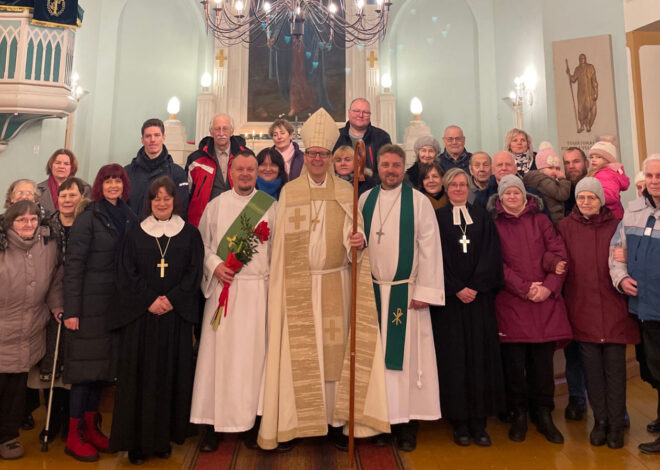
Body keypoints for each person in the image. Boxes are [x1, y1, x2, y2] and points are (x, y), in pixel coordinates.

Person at [259, 107, 389, 451]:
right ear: (306, 155)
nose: (317, 159)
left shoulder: (346, 193)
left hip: (335, 284)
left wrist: (356, 245)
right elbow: (282, 248)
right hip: (299, 286)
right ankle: (292, 425)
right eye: (313, 153)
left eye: (323, 154)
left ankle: (334, 423)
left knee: (334, 355)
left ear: (332, 157)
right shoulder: (290, 193)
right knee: (297, 357)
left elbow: (353, 239)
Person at [110, 176, 203, 465]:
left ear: (175, 201)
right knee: (138, 379)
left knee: (169, 377)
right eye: (156, 198)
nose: (161, 203)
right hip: (142, 319)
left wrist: (171, 299)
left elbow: (194, 272)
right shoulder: (134, 233)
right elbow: (126, 272)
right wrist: (149, 299)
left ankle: (163, 439)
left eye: (167, 197)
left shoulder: (189, 234)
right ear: (148, 202)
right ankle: (136, 443)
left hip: (173, 320)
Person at [359, 144, 444, 451]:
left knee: (406, 362)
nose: (391, 170)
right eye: (385, 165)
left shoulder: (418, 202)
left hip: (406, 294)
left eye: (396, 165)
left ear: (403, 167)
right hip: (371, 293)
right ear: (377, 167)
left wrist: (425, 291)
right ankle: (380, 421)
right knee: (376, 362)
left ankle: (407, 423)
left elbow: (430, 248)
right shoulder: (365, 200)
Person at [191, 150, 276, 452]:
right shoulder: (216, 206)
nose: (245, 174)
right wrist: (215, 266)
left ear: (257, 173)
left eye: (250, 169)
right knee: (218, 358)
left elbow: (278, 253)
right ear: (231, 171)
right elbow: (201, 245)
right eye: (239, 169)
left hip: (257, 294)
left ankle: (251, 422)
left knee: (254, 361)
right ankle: (212, 423)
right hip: (224, 290)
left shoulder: (270, 208)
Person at [487, 175, 572, 444]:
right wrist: (525, 288)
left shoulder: (542, 220)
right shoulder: (494, 225)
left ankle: (544, 414)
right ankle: (519, 413)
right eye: (507, 193)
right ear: (500, 198)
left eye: (516, 192)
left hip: (544, 303)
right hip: (512, 304)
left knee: (542, 366)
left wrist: (548, 287)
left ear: (525, 195)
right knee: (514, 367)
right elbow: (496, 264)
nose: (512, 197)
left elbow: (559, 253)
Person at [63, 164, 138, 462]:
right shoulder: (89, 218)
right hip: (89, 306)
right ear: (99, 185)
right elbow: (74, 266)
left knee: (101, 372)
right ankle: (73, 435)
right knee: (83, 373)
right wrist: (71, 310)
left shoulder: (130, 216)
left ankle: (92, 429)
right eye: (108, 181)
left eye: (118, 181)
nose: (113, 186)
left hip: (114, 307)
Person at [557, 177, 639, 449]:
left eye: (591, 197)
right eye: (581, 198)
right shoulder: (565, 227)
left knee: (615, 372)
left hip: (615, 309)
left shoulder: (618, 225)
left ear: (601, 200)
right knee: (591, 372)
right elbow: (555, 257)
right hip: (582, 309)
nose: (586, 202)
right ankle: (600, 421)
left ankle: (616, 424)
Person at [431, 168, 504, 447]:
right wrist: (456, 287)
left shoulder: (483, 217)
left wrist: (474, 285)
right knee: (455, 361)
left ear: (469, 188)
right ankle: (459, 422)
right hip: (450, 303)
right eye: (454, 185)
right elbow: (435, 257)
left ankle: (479, 422)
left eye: (463, 184)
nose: (459, 189)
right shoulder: (437, 218)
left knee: (479, 359)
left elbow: (491, 254)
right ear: (446, 189)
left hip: (479, 300)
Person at [0, 200, 63, 460]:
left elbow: (55, 281)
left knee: (16, 389)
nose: (29, 224)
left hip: (29, 329)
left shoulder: (48, 246)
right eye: (22, 220)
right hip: (3, 325)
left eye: (33, 219)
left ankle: (7, 437)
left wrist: (57, 306)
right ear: (9, 224)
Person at [610, 154, 660, 454]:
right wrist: (621, 279)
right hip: (644, 307)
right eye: (651, 176)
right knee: (653, 369)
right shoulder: (633, 211)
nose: (655, 181)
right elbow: (617, 250)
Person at [31, 177, 86, 443]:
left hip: (79, 301)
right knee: (51, 363)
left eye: (72, 195)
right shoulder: (46, 226)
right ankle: (51, 419)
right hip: (50, 301)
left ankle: (70, 420)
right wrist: (54, 303)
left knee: (72, 362)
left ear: (81, 197)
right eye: (63, 195)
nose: (67, 200)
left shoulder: (87, 225)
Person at [186, 114, 249, 227]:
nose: (221, 133)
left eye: (225, 128)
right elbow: (186, 195)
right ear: (211, 132)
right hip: (204, 223)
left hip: (238, 222)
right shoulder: (196, 159)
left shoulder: (246, 157)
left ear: (231, 131)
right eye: (217, 129)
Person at [124, 118, 189, 219]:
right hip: (133, 232)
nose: (152, 140)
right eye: (148, 136)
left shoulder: (177, 173)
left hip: (164, 233)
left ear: (163, 137)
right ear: (142, 140)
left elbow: (181, 211)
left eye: (157, 135)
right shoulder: (127, 172)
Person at [333, 98, 392, 179]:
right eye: (356, 111)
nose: (360, 115)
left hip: (373, 187)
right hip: (341, 187)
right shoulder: (336, 136)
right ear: (349, 112)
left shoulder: (382, 137)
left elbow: (387, 168)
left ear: (370, 115)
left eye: (365, 112)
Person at [522, 142, 571, 224]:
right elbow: (562, 194)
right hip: (552, 220)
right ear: (541, 169)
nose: (555, 171)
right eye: (550, 168)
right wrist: (563, 179)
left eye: (557, 168)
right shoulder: (543, 180)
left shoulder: (542, 179)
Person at [37, 149, 91, 215]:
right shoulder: (37, 189)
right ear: (51, 165)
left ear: (72, 167)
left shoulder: (85, 188)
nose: (61, 166)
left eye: (66, 164)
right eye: (58, 163)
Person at [587, 140, 629, 219]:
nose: (593, 159)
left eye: (598, 157)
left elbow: (610, 196)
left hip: (608, 216)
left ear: (608, 159)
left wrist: (592, 197)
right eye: (591, 157)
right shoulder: (602, 173)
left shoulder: (606, 174)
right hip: (610, 214)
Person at [566, 53, 598, 133]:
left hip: (589, 92)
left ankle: (588, 125)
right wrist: (569, 74)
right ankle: (582, 125)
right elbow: (573, 79)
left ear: (585, 59)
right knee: (580, 109)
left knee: (588, 108)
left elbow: (594, 81)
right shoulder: (578, 69)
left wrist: (596, 92)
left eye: (583, 58)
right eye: (580, 58)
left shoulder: (590, 67)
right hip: (580, 93)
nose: (581, 60)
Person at [563, 147, 589, 214]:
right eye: (567, 163)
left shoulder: (597, 187)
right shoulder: (560, 191)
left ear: (587, 164)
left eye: (576, 161)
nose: (571, 166)